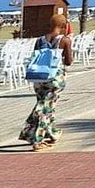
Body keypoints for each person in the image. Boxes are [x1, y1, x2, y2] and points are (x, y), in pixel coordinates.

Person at [19, 12, 73, 151]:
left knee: (43, 105)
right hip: (55, 78)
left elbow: (36, 58)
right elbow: (68, 61)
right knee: (45, 108)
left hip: (39, 77)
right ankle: (37, 140)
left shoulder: (40, 40)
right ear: (62, 26)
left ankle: (50, 133)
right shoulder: (64, 40)